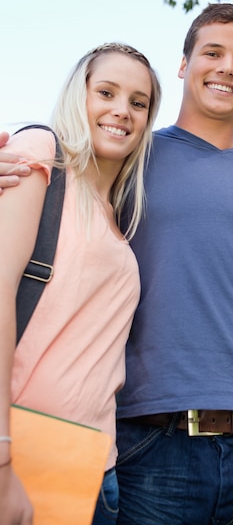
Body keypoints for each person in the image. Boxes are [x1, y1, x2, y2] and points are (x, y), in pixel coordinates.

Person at [0, 3, 233, 524]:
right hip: (157, 447)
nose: (227, 67)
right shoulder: (128, 163)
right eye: (212, 52)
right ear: (185, 64)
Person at [0, 42, 161, 525]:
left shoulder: (120, 215)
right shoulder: (40, 157)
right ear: (79, 96)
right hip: (23, 454)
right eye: (106, 92)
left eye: (138, 102)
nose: (121, 111)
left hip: (94, 468)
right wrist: (2, 457)